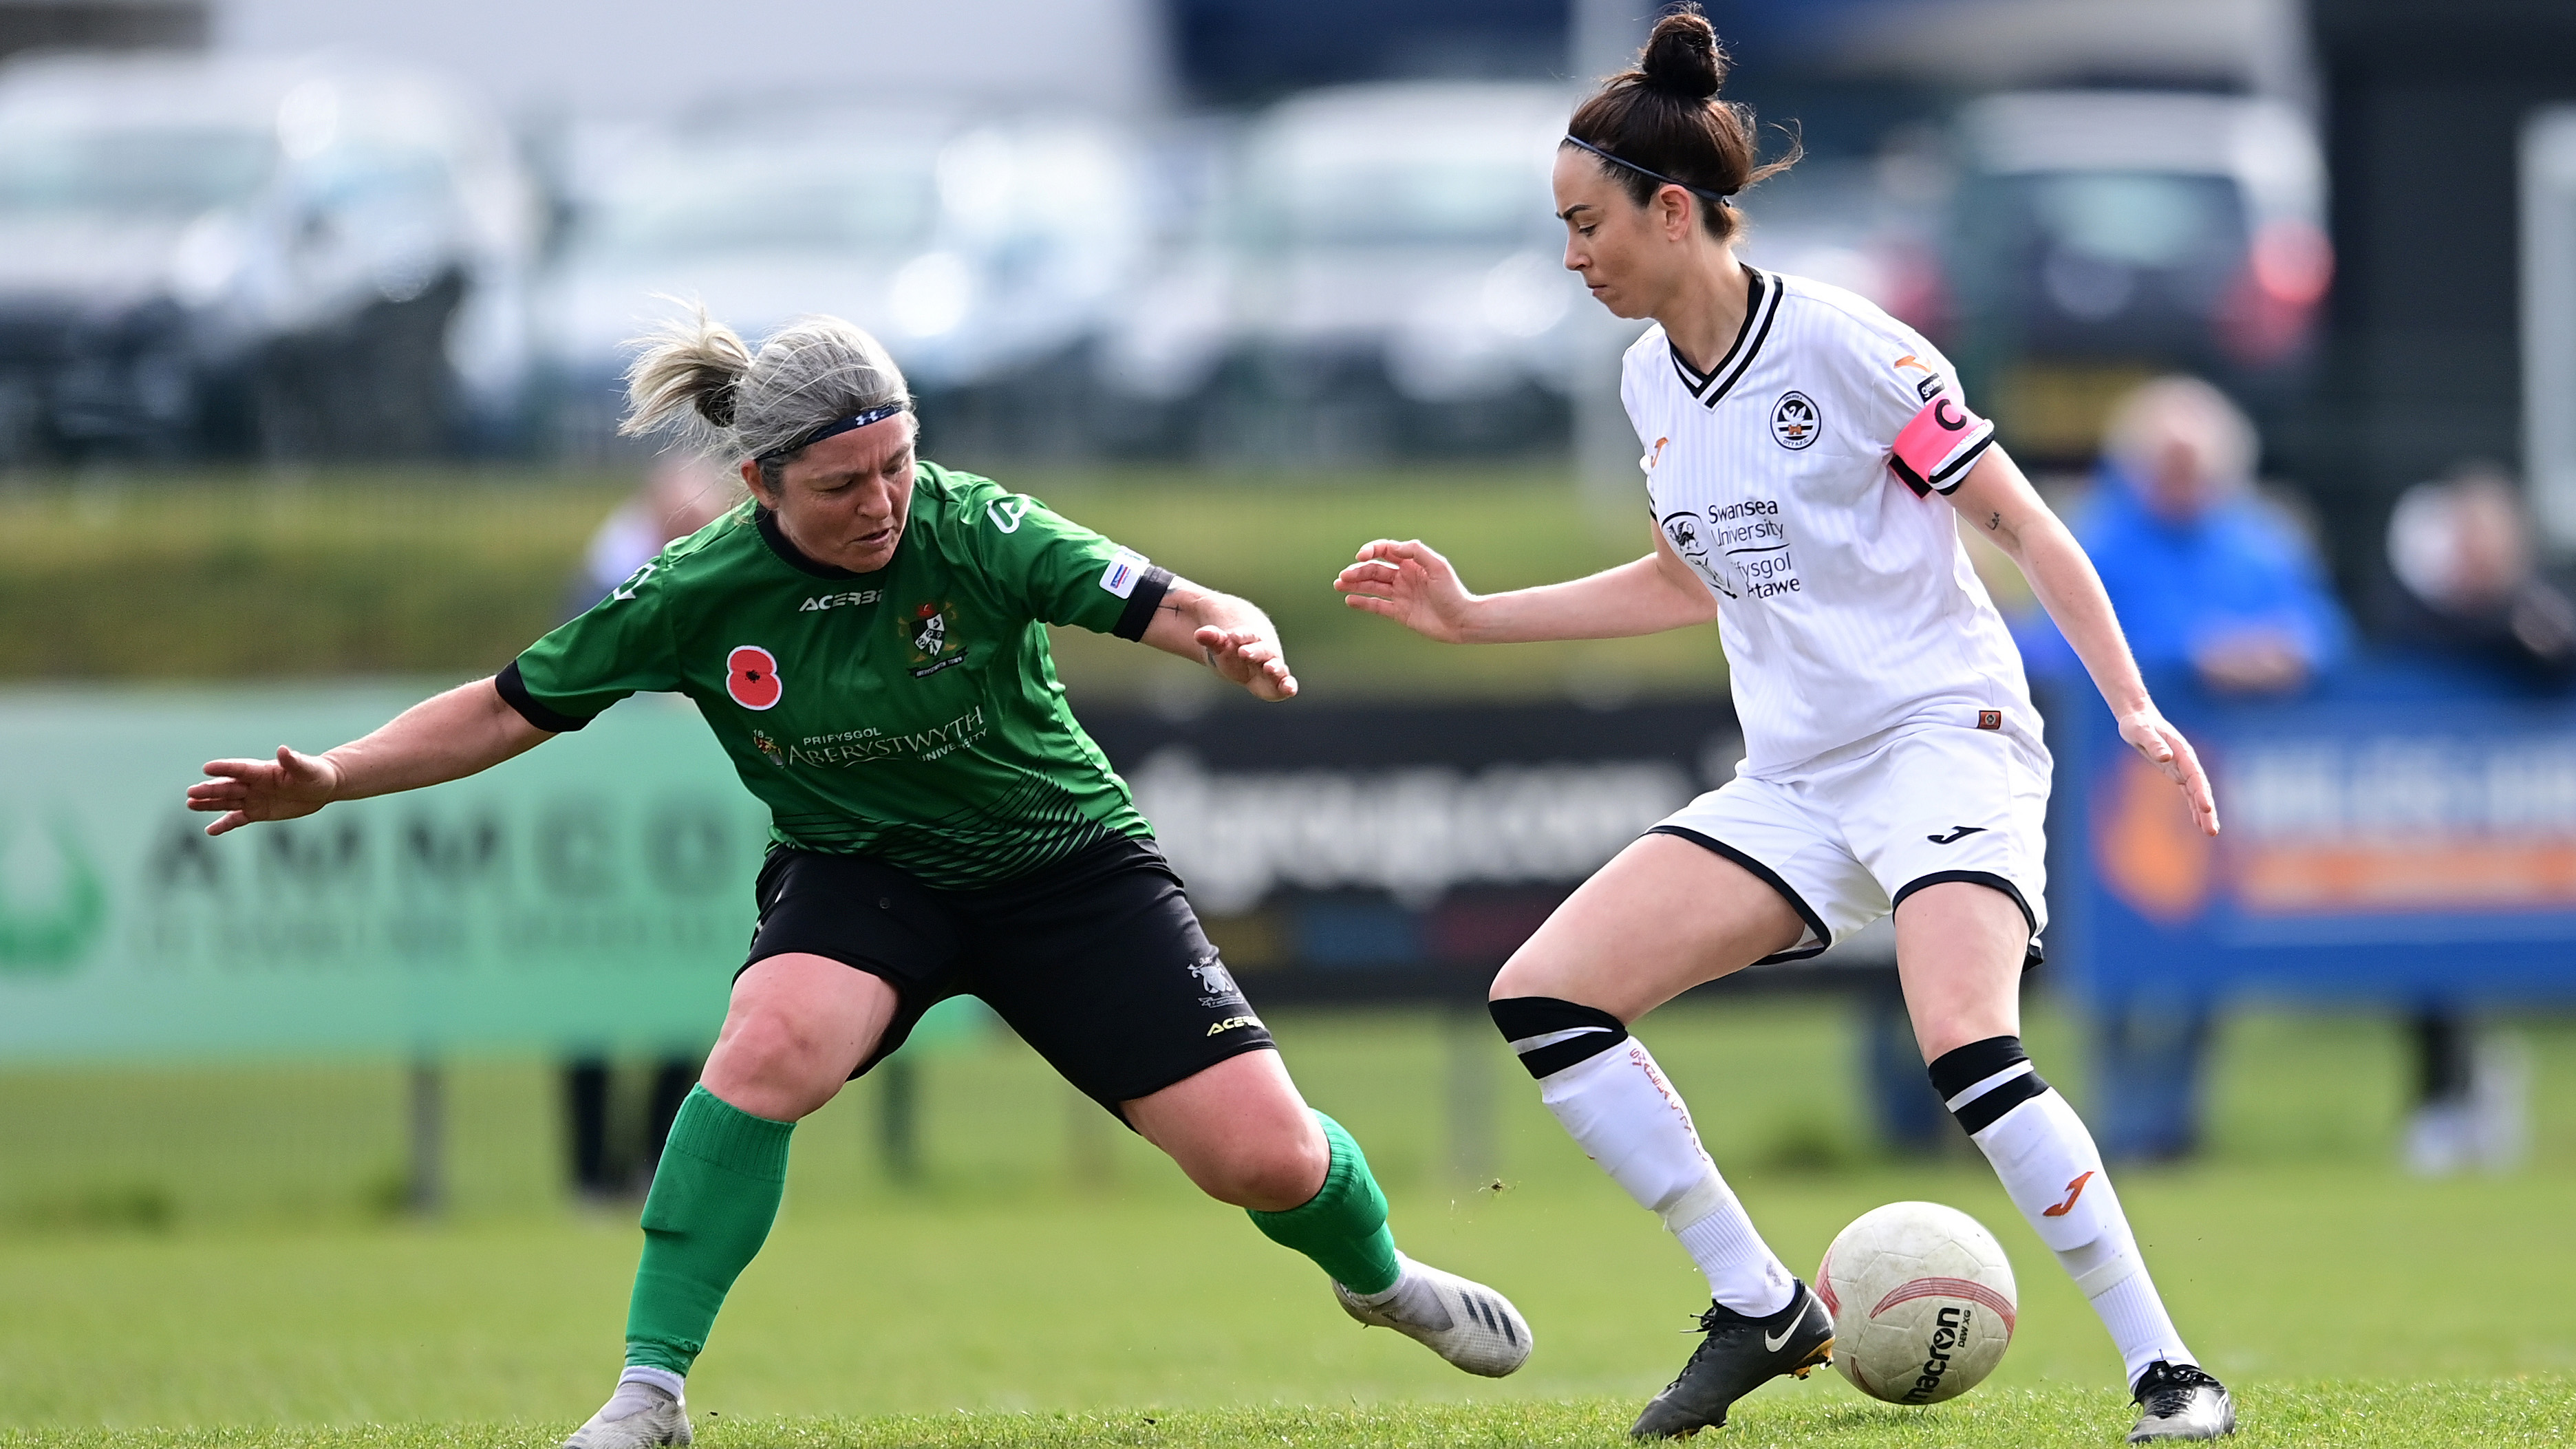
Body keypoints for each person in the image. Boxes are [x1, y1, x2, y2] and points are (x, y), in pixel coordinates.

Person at [189, 309, 1531, 1449]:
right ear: (762, 481)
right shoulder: (695, 590)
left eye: (898, 465)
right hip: (862, 872)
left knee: (1269, 1158)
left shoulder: (973, 526)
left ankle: (1380, 1280)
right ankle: (648, 1393)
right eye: (846, 484)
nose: (884, 501)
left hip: (1064, 870)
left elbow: (1163, 599)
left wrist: (1231, 630)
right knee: (766, 1046)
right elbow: (507, 705)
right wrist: (334, 776)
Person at [1334, 12, 2231, 1441]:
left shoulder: (1850, 348)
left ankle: (2173, 1377)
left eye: (1587, 226)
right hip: (1799, 779)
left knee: (1963, 1042)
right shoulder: (1648, 381)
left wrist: (2132, 706)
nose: (1573, 257)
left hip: (1948, 737)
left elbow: (2025, 524)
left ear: (1671, 210)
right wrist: (1474, 616)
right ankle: (1762, 1303)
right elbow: (1689, 577)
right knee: (1545, 995)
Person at [559, 455, 733, 1203]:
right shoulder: (605, 587)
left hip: (684, 840)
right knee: (589, 1000)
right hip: (604, 838)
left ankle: (654, 1160)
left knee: (690, 1004)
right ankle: (592, 1173)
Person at [2012, 374, 2348, 698]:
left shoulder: (2263, 543)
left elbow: (2329, 632)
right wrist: (2192, 657)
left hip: (2256, 738)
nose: (2182, 484)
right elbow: (2052, 652)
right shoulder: (2093, 542)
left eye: (2194, 471)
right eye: (2169, 468)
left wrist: (2289, 653)